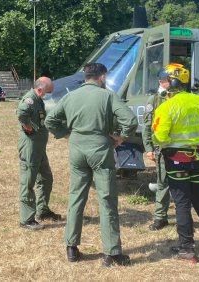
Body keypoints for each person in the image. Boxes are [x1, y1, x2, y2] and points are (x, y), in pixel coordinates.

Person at [45, 63, 138, 267]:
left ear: (85, 76)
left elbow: (50, 120)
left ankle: (71, 247)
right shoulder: (107, 96)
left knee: (76, 197)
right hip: (100, 149)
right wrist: (120, 138)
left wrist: (67, 134)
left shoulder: (71, 96)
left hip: (77, 149)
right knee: (106, 200)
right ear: (102, 77)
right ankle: (112, 253)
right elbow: (130, 120)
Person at [152, 63, 199, 263]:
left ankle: (187, 248)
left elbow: (159, 137)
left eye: (165, 80)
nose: (163, 83)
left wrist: (168, 145)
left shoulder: (166, 106)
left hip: (177, 159)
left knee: (182, 203)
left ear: (172, 82)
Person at [17, 77, 61, 231]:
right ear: (40, 90)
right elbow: (21, 113)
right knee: (28, 182)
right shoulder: (30, 99)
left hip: (39, 148)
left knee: (46, 178)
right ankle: (27, 219)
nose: (48, 96)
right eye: (48, 93)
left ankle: (42, 210)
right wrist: (27, 126)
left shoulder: (37, 99)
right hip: (31, 147)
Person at [142, 71, 171, 230]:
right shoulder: (154, 99)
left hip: (179, 147)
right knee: (163, 182)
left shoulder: (179, 97)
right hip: (161, 147)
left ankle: (183, 216)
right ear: (160, 81)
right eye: (167, 80)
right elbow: (147, 126)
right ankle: (160, 217)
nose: (170, 83)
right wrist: (149, 148)